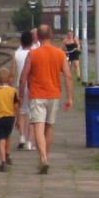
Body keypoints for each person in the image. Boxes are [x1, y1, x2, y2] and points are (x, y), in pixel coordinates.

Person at [18, 24, 74, 174]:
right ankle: (45, 157)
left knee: (38, 126)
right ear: (51, 36)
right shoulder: (60, 54)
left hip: (37, 95)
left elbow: (23, 78)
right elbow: (68, 76)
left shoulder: (33, 54)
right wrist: (69, 97)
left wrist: (21, 94)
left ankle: (43, 158)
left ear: (38, 37)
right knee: (49, 127)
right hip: (54, 94)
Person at [10, 30, 35, 149]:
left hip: (19, 87)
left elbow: (12, 73)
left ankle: (22, 137)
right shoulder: (35, 53)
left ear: (21, 41)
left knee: (21, 112)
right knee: (33, 114)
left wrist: (9, 87)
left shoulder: (16, 54)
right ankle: (30, 142)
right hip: (33, 87)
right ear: (32, 41)